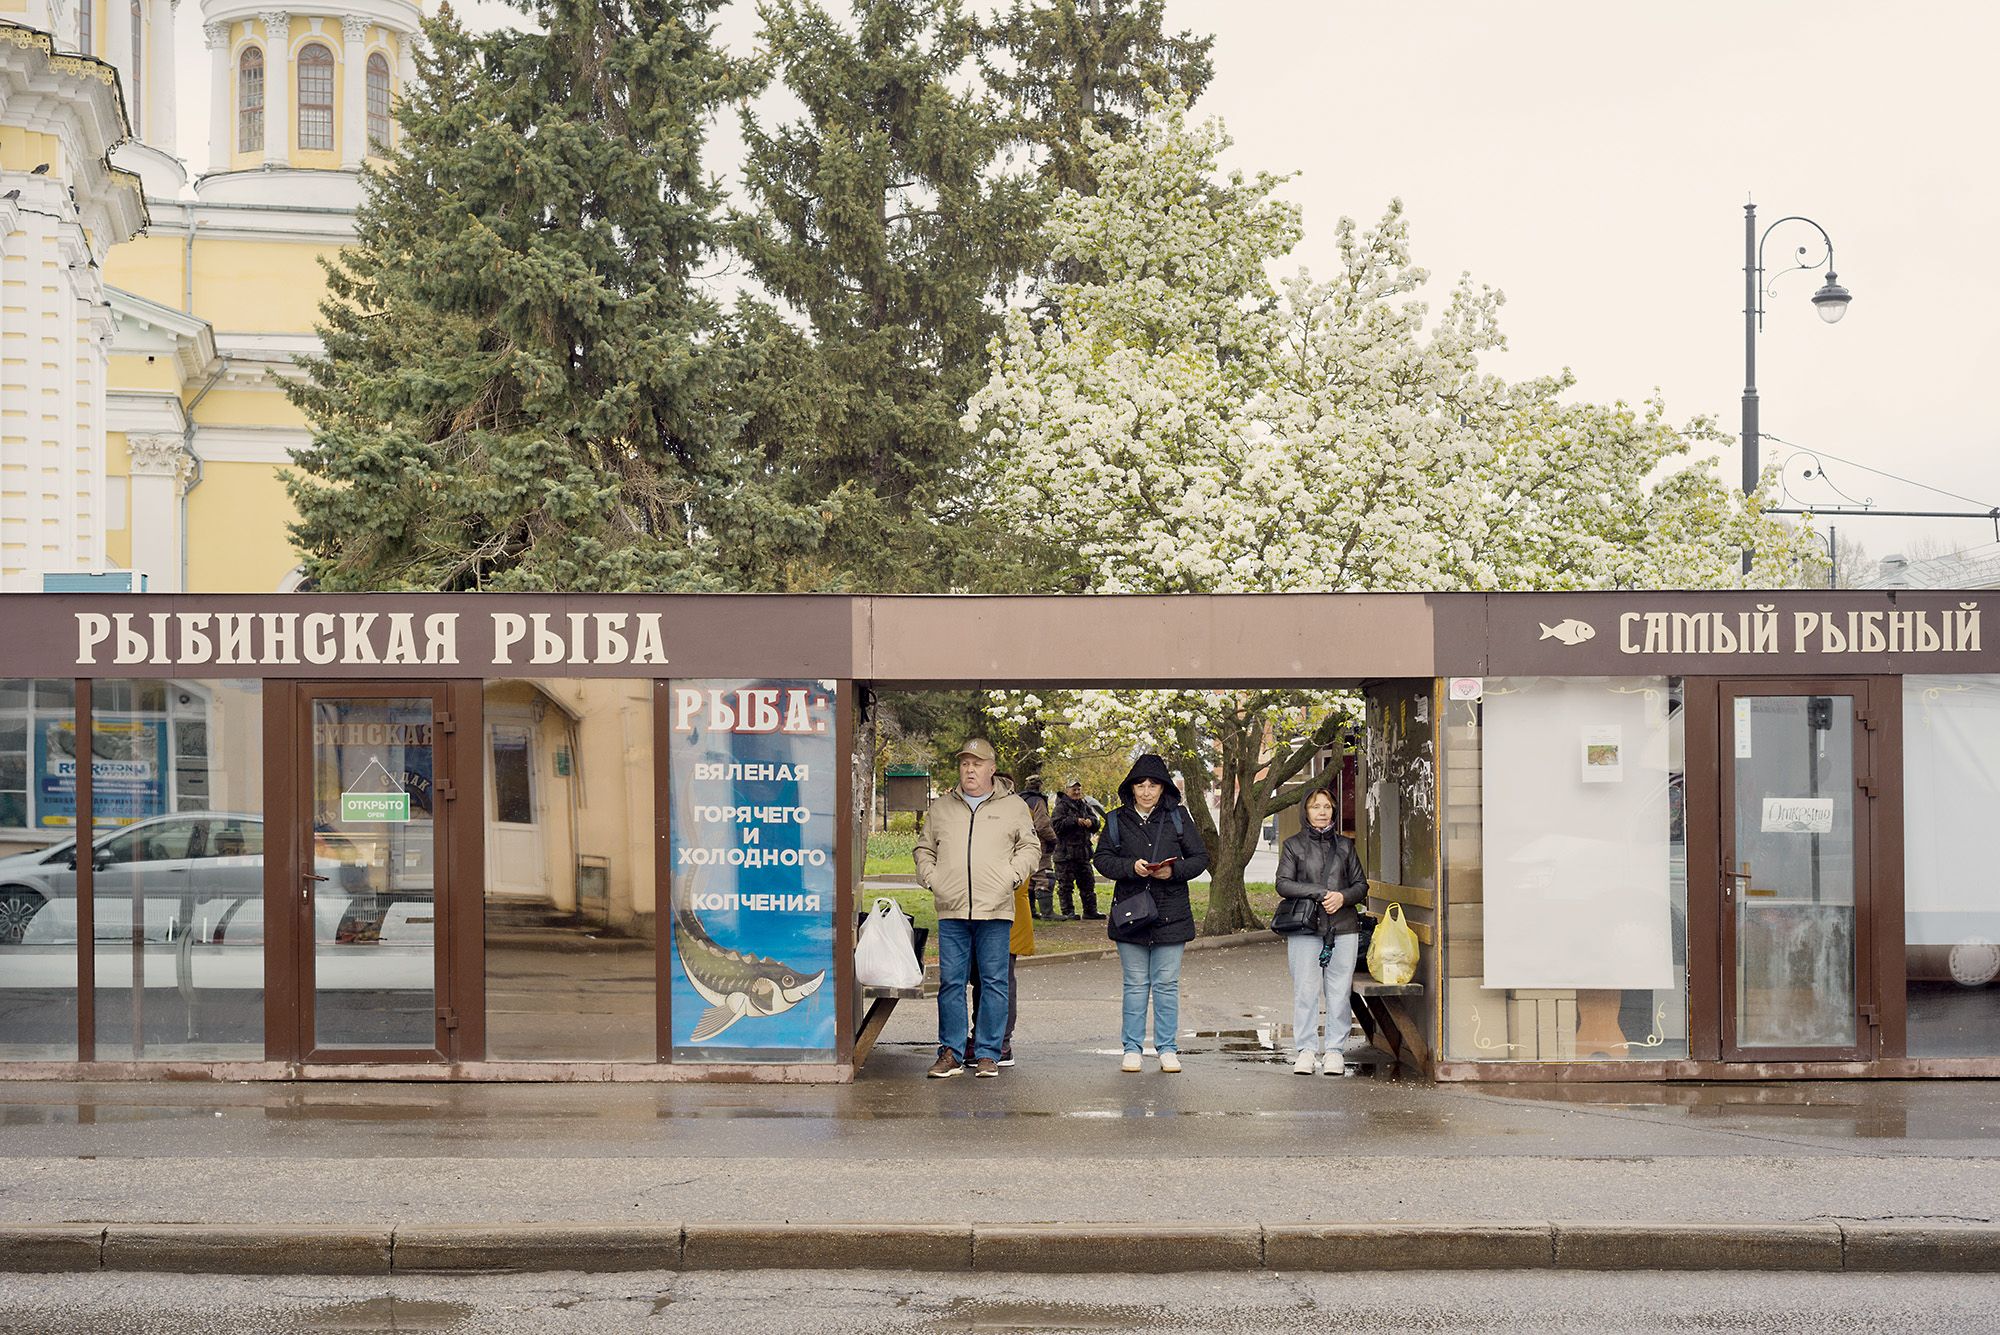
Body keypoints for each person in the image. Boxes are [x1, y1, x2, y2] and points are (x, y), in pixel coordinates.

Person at [913, 740, 1042, 1078]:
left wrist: (1012, 876)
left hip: (996, 909)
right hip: (952, 909)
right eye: (965, 764)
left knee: (994, 983)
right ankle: (951, 1053)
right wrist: (932, 878)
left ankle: (988, 1053)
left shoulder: (1014, 806)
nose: (970, 770)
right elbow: (924, 849)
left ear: (991, 769)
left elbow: (1031, 847)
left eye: (977, 764)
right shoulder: (942, 807)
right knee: (951, 984)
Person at [1093, 754, 1209, 1073]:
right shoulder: (1115, 819)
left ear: (1163, 788)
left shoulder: (1178, 817)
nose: (1146, 791)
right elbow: (1101, 859)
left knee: (1166, 984)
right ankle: (1132, 1048)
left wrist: (1172, 871)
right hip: (1131, 912)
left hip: (1171, 913)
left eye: (1153, 785)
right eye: (1140, 785)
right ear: (1131, 788)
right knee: (1134, 983)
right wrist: (1130, 867)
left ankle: (1167, 1048)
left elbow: (1200, 858)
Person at [1274, 785, 1369, 1075]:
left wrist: (1343, 897)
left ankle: (1335, 1051)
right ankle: (1305, 1049)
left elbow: (1361, 885)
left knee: (1339, 991)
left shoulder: (1345, 846)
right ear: (1306, 810)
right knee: (1306, 990)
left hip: (1343, 926)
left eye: (1327, 806)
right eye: (1316, 806)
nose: (1322, 812)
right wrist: (1319, 892)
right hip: (1305, 927)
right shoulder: (1293, 845)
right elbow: (1283, 883)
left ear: (1333, 811)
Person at [970, 775, 1037, 1067]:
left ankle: (1000, 1042)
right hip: (976, 910)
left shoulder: (1016, 813)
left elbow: (1025, 858)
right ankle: (981, 1036)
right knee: (980, 978)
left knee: (999, 979)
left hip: (1006, 909)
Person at [1051, 778, 1102, 920]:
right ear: (1067, 790)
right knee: (1065, 885)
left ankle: (1090, 911)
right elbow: (1056, 826)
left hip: (1083, 853)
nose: (1077, 792)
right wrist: (1075, 821)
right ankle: (1068, 912)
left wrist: (1091, 822)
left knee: (1088, 883)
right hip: (1065, 854)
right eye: (1074, 789)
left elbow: (1096, 823)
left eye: (1079, 789)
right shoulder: (1060, 806)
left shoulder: (1084, 805)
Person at [1018, 774, 1059, 919]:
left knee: (1029, 878)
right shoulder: (1038, 801)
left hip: (1021, 843)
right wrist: (1053, 839)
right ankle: (1047, 913)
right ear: (1040, 785)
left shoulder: (1018, 800)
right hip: (1039, 844)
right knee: (1045, 876)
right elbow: (1042, 825)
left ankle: (1030, 911)